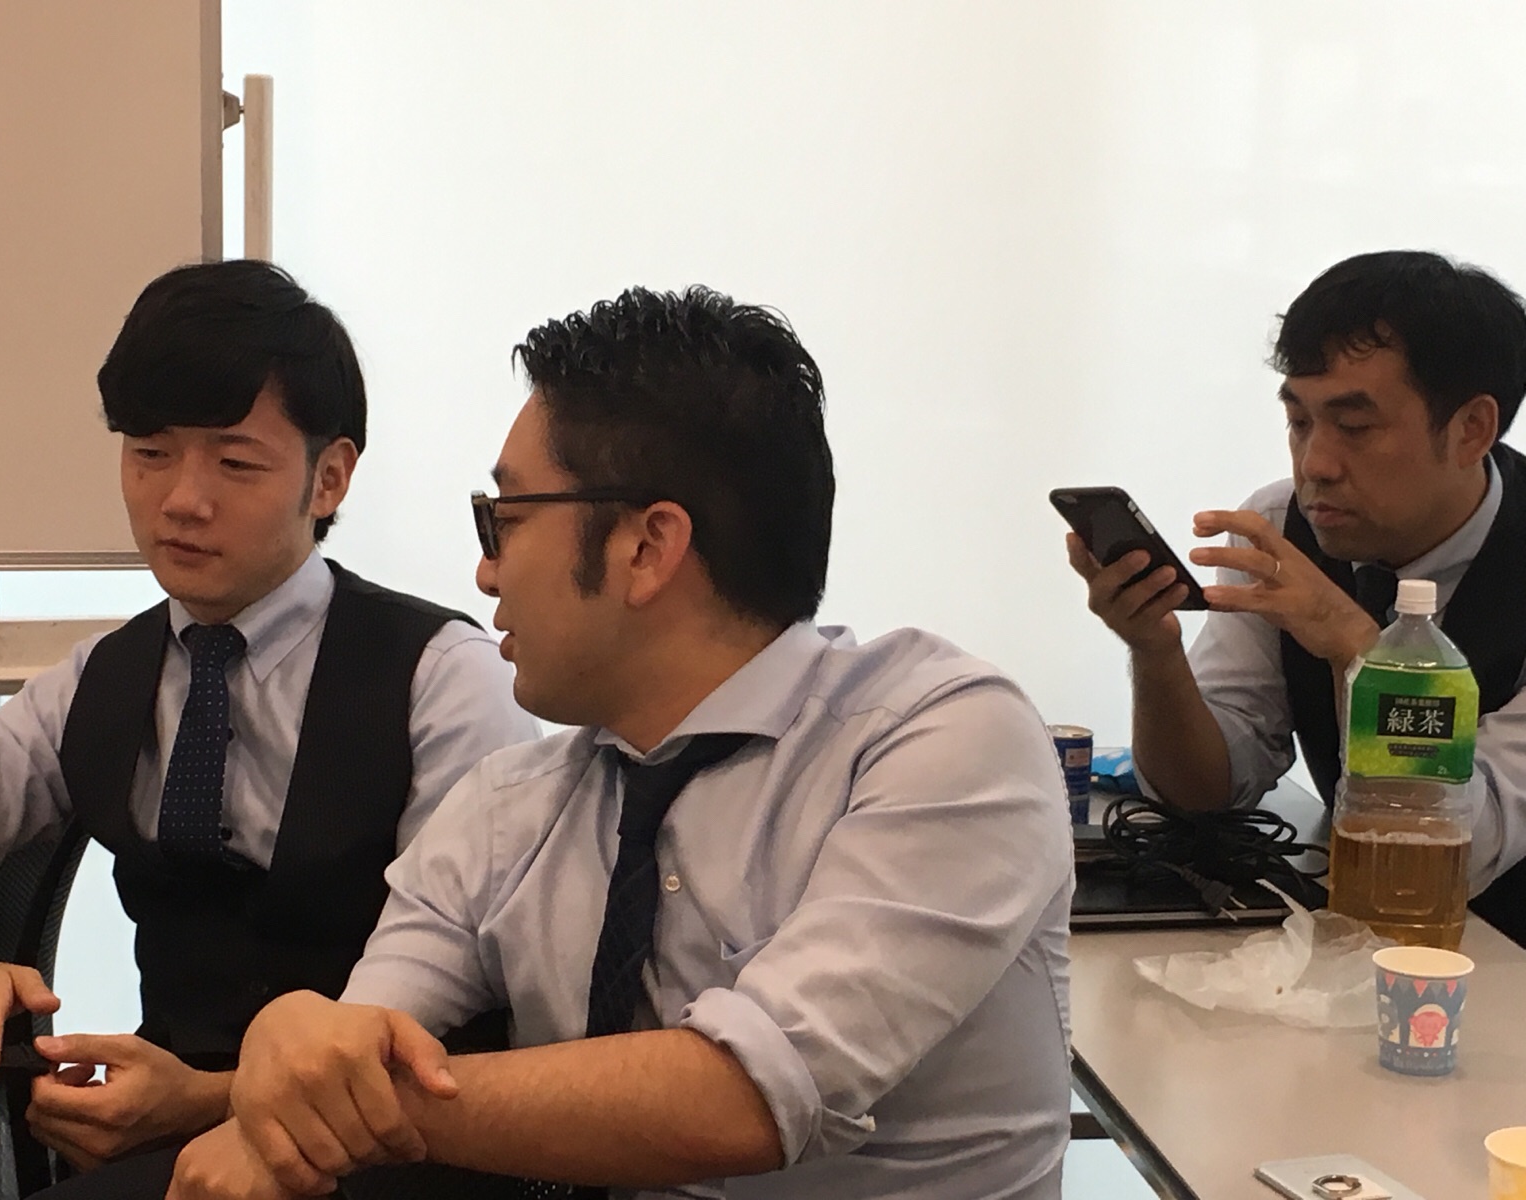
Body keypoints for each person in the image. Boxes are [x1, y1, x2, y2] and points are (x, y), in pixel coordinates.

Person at [166, 285, 1074, 1200]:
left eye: (506, 520)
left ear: (647, 547)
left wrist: (346, 1104)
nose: (484, 571)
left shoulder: (943, 737)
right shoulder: (510, 806)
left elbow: (747, 1097)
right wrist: (298, 1053)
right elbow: (363, 1039)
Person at [0, 259, 539, 1192]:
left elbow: (475, 997)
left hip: (404, 1147)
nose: (182, 499)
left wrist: (211, 1103)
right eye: (149, 452)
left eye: (235, 461)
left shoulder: (444, 678)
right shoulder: (99, 680)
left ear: (329, 478)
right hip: (168, 1136)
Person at [1068, 249, 1526, 946]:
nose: (1315, 465)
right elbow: (1210, 792)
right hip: (1363, 941)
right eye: (1299, 422)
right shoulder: (1284, 527)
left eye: (1355, 427)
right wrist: (1156, 654)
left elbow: (1463, 851)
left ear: (1471, 429)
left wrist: (1360, 650)